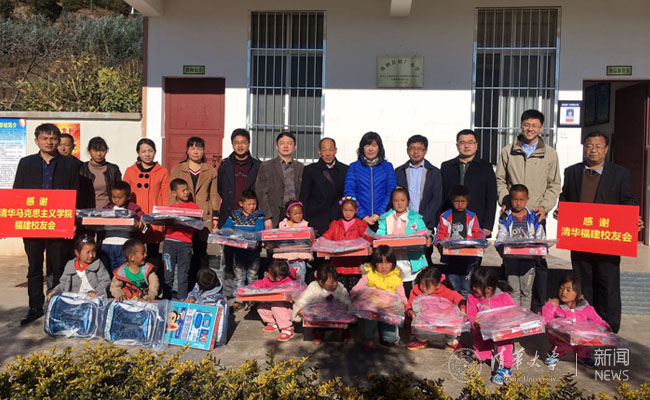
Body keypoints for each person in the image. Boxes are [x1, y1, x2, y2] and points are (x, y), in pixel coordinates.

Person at [554, 131, 643, 333]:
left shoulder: (620, 173)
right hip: (581, 239)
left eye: (597, 146)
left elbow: (628, 200)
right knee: (582, 283)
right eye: (589, 146)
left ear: (606, 149)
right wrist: (562, 210)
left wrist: (632, 219)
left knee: (608, 284)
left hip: (607, 240)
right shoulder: (572, 172)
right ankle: (584, 323)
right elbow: (565, 197)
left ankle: (609, 327)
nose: (592, 150)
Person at [13, 123, 80, 325]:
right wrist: (14, 222)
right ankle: (35, 307)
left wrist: (73, 222)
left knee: (57, 266)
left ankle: (56, 306)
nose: (49, 142)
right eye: (45, 138)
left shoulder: (70, 165)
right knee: (34, 267)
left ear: (58, 141)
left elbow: (76, 194)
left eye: (53, 138)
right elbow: (17, 194)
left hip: (59, 223)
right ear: (37, 141)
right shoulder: (26, 163)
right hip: (33, 223)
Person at [496, 109, 561, 313]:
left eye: (534, 125)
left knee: (538, 263)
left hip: (535, 217)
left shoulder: (550, 154)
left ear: (541, 128)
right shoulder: (508, 151)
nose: (530, 129)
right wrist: (505, 200)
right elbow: (500, 180)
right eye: (526, 124)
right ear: (521, 125)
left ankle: (536, 307)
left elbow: (554, 184)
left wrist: (545, 206)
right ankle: (510, 307)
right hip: (513, 216)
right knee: (510, 261)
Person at [169, 137, 219, 285]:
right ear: (187, 150)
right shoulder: (178, 169)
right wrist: (171, 214)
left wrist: (215, 217)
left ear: (203, 151)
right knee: (185, 253)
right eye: (192, 148)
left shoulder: (210, 171)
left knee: (201, 253)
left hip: (203, 218)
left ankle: (203, 285)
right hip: (183, 217)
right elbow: (171, 194)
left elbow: (214, 195)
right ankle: (187, 286)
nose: (196, 152)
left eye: (199, 148)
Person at [217, 128, 261, 288]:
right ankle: (230, 293)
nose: (240, 146)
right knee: (229, 259)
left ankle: (251, 292)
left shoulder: (257, 165)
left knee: (251, 261)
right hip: (230, 218)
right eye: (236, 142)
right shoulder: (225, 165)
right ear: (232, 144)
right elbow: (220, 188)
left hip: (250, 220)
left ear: (249, 143)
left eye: (243, 142)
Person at [395, 135, 442, 266]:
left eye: (419, 149)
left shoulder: (434, 172)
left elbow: (436, 198)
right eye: (412, 148)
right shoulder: (399, 171)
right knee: (403, 257)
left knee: (424, 256)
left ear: (425, 151)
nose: (415, 152)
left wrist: (422, 220)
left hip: (425, 222)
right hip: (403, 222)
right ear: (407, 150)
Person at [495, 184, 545, 309]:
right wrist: (500, 245)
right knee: (513, 290)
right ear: (510, 199)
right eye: (515, 199)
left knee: (526, 291)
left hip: (529, 260)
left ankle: (525, 315)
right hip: (511, 259)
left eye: (521, 200)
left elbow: (540, 234)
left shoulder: (533, 217)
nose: (518, 203)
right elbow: (502, 233)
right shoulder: (506, 217)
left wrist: (543, 249)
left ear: (527, 199)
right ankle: (515, 315)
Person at [542, 275, 608, 368]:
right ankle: (554, 355)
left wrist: (606, 328)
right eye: (561, 288)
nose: (563, 292)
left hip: (580, 338)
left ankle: (584, 357)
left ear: (580, 295)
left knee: (583, 347)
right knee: (559, 347)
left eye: (568, 290)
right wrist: (549, 306)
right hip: (561, 338)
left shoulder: (587, 309)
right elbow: (546, 320)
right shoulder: (556, 307)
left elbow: (597, 321)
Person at [123, 138, 170, 268]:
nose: (147, 154)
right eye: (143, 151)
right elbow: (125, 195)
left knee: (154, 253)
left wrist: (164, 218)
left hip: (154, 218)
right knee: (135, 252)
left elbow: (165, 196)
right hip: (136, 217)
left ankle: (153, 278)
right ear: (138, 153)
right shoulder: (130, 171)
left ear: (155, 152)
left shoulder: (162, 172)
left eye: (150, 151)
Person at [350, 245, 408, 352]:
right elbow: (358, 286)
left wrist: (406, 306)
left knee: (391, 338)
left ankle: (386, 333)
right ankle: (368, 338)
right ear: (374, 263)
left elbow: (402, 295)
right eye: (380, 262)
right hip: (373, 307)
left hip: (388, 308)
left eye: (387, 262)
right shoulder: (369, 273)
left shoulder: (396, 277)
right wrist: (353, 295)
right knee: (371, 321)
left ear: (393, 263)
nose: (384, 266)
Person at [441, 129, 497, 237]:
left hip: (477, 223)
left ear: (476, 145)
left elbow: (491, 198)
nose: (466, 146)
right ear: (457, 145)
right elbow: (442, 196)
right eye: (462, 142)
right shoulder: (447, 167)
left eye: (470, 142)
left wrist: (488, 226)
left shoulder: (486, 167)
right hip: (451, 222)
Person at [376, 187, 431, 293]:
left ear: (408, 201)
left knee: (412, 290)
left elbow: (425, 233)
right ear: (392, 202)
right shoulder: (386, 218)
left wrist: (429, 238)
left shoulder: (415, 218)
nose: (399, 203)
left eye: (402, 200)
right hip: (394, 259)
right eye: (396, 200)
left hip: (412, 261)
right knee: (394, 291)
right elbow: (379, 235)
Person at [467, 268, 516, 385]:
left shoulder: (503, 297)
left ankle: (506, 368)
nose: (474, 288)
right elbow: (471, 315)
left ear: (489, 288)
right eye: (473, 285)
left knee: (505, 345)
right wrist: (474, 322)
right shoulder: (472, 298)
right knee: (481, 348)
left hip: (501, 330)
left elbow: (513, 311)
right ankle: (484, 355)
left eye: (477, 286)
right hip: (483, 331)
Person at [434, 185, 485, 297]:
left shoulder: (472, 217)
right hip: (451, 258)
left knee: (466, 288)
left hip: (468, 259)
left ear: (467, 201)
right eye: (457, 201)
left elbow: (477, 232)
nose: (460, 204)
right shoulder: (445, 216)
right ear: (452, 201)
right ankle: (454, 307)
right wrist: (440, 244)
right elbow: (440, 233)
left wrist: (480, 243)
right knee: (453, 287)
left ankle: (466, 306)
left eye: (463, 201)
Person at [222, 189, 266, 310]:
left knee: (252, 276)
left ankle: (252, 299)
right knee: (239, 277)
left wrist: (257, 239)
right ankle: (239, 299)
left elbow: (259, 231)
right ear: (241, 204)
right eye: (249, 204)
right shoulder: (234, 215)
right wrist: (224, 233)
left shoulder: (259, 215)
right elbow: (227, 228)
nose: (252, 207)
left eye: (254, 204)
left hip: (253, 252)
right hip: (238, 252)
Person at [405, 267, 466, 351]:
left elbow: (458, 297)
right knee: (417, 320)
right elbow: (409, 306)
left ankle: (451, 341)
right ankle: (421, 340)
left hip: (442, 321)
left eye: (427, 286)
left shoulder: (444, 291)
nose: (423, 288)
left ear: (437, 285)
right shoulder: (416, 291)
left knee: (456, 319)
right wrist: (411, 312)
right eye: (421, 284)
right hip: (424, 322)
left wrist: (462, 310)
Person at [344, 131, 397, 228]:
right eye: (367, 145)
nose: (370, 149)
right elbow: (350, 192)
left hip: (383, 220)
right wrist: (362, 215)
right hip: (359, 220)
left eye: (374, 145)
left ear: (379, 148)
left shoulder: (387, 167)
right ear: (362, 148)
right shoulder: (354, 167)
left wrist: (379, 214)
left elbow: (391, 192)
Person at [292, 263, 352, 344]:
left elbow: (346, 299)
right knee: (316, 321)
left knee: (346, 317)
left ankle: (345, 332)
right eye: (332, 282)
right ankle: (319, 333)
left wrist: (349, 308)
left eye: (336, 280)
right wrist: (298, 309)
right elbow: (303, 299)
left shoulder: (339, 287)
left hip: (335, 314)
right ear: (321, 282)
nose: (335, 284)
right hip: (319, 315)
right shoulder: (313, 287)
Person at [299, 137, 348, 236]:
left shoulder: (345, 169)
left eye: (331, 149)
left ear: (335, 150)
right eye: (324, 150)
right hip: (316, 219)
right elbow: (304, 196)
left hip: (338, 218)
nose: (328, 153)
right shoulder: (310, 170)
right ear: (319, 151)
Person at [321, 196, 372, 290]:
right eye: (345, 210)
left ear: (356, 211)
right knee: (340, 291)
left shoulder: (361, 225)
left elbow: (368, 239)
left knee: (354, 291)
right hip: (338, 266)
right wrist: (319, 243)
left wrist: (369, 246)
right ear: (342, 210)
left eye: (351, 210)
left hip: (355, 267)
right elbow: (326, 237)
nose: (348, 213)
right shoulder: (335, 225)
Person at [256, 132, 305, 229]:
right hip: (274, 214)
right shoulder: (266, 166)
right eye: (282, 143)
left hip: (295, 214)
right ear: (277, 146)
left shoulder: (301, 167)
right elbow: (261, 194)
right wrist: (267, 217)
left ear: (295, 147)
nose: (285, 146)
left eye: (289, 143)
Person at [162, 178, 201, 300]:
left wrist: (187, 223)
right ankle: (166, 299)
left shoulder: (194, 207)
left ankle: (182, 299)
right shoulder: (171, 208)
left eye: (187, 190)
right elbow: (167, 228)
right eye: (183, 190)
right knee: (168, 273)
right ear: (174, 193)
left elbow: (196, 226)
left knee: (183, 274)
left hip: (185, 244)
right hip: (169, 243)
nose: (186, 192)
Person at [100, 181, 147, 272]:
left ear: (128, 197)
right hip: (107, 244)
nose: (116, 200)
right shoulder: (107, 208)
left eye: (119, 197)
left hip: (125, 245)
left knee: (123, 272)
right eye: (113, 197)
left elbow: (143, 222)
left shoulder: (133, 209)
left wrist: (141, 224)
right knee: (106, 271)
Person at [47, 235, 111, 299]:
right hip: (75, 298)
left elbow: (105, 280)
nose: (91, 255)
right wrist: (56, 290)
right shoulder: (70, 265)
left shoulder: (98, 264)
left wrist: (97, 291)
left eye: (94, 251)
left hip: (93, 298)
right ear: (77, 253)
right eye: (88, 252)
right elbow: (63, 283)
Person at [249, 259, 296, 341]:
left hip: (286, 309)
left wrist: (291, 298)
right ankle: (273, 322)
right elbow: (260, 283)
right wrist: (250, 287)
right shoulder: (268, 279)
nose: (267, 274)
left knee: (276, 306)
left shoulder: (289, 283)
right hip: (273, 304)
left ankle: (287, 328)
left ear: (278, 277)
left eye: (269, 273)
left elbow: (294, 295)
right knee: (261, 307)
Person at [79, 136, 121, 210]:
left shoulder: (113, 169)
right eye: (95, 151)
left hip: (108, 210)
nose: (99, 154)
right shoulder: (82, 169)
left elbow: (119, 190)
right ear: (89, 151)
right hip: (87, 211)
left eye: (102, 150)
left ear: (106, 151)